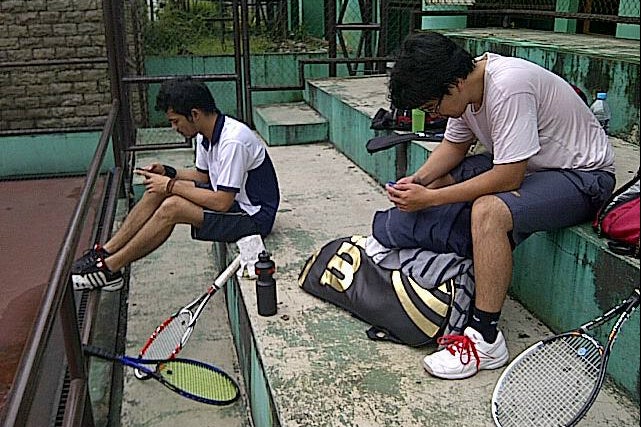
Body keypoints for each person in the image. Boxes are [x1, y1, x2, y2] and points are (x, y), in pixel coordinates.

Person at [383, 32, 615, 379]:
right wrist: (418, 182)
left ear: (455, 84)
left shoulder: (508, 86)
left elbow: (508, 177)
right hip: (536, 167)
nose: (434, 114)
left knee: (488, 211)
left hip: (583, 177)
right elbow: (453, 147)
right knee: (444, 179)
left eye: (432, 108)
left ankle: (486, 339)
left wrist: (429, 199)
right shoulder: (466, 87)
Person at [72, 77, 280, 290]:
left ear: (194, 114)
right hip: (233, 202)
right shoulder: (205, 134)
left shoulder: (233, 141)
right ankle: (105, 251)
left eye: (175, 121)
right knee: (156, 191)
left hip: (254, 216)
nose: (174, 127)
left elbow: (221, 202)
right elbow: (203, 177)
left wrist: (170, 185)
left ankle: (109, 269)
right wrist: (167, 172)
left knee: (172, 207)